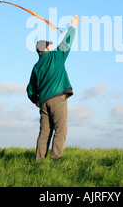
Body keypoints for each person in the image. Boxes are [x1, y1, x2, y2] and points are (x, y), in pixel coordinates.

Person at [27, 15, 79, 161]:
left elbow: (30, 89)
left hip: (43, 102)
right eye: (49, 45)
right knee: (60, 130)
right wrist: (73, 25)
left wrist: (35, 100)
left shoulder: (36, 67)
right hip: (57, 99)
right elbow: (66, 42)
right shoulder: (56, 56)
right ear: (47, 48)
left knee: (44, 132)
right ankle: (56, 160)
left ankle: (39, 161)